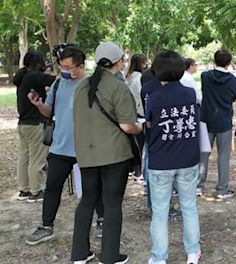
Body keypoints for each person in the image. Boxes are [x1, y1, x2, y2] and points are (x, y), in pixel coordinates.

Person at [71, 41, 142, 264]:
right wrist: (141, 127)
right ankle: (110, 256)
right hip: (114, 155)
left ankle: (80, 254)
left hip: (86, 154)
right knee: (112, 204)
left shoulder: (81, 87)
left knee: (87, 202)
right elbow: (127, 126)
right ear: (119, 62)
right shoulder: (118, 87)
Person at [24, 46, 104, 245]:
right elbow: (48, 111)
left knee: (94, 186)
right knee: (52, 187)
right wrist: (38, 104)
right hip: (60, 146)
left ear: (81, 66)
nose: (64, 71)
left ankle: (102, 220)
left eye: (68, 67)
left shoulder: (92, 84)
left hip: (87, 147)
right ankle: (46, 226)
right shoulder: (59, 84)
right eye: (62, 67)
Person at [145, 51, 201, 264]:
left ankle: (159, 258)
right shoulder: (189, 94)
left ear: (157, 72)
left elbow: (149, 124)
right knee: (189, 207)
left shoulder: (154, 98)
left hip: (160, 162)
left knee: (160, 213)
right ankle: (193, 253)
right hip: (188, 159)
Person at [13, 51, 56, 202]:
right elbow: (55, 80)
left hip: (24, 124)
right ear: (37, 64)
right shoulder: (33, 76)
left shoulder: (24, 77)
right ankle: (35, 191)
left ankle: (24, 189)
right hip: (35, 124)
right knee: (37, 159)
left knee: (24, 158)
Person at [198, 50, 236, 199]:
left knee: (203, 154)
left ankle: (198, 186)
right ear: (229, 62)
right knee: (223, 156)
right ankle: (222, 189)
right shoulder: (233, 80)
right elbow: (233, 97)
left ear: (214, 61)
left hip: (206, 119)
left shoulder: (205, 76)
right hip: (224, 120)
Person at [125, 53, 148, 179]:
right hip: (140, 113)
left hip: (131, 112)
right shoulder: (139, 78)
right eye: (145, 62)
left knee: (134, 144)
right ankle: (140, 169)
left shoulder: (128, 76)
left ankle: (134, 168)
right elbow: (141, 95)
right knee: (141, 144)